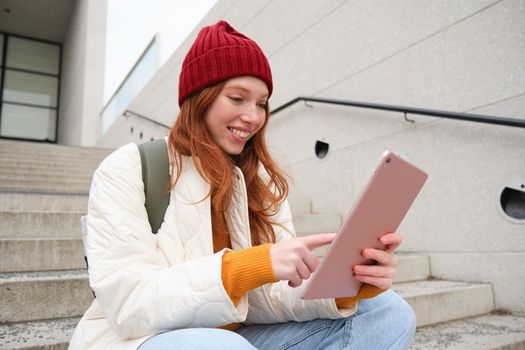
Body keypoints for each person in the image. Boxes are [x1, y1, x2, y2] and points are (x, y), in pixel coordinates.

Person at [68, 20, 416, 350]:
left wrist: (346, 287)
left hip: (237, 337)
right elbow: (129, 304)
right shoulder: (129, 167)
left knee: (388, 312)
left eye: (262, 103)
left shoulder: (258, 179)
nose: (253, 116)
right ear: (199, 97)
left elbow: (270, 298)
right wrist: (243, 267)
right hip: (136, 340)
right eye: (237, 99)